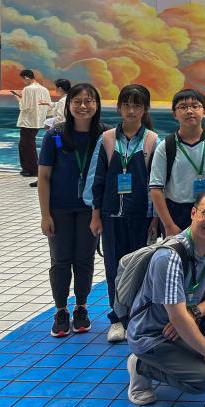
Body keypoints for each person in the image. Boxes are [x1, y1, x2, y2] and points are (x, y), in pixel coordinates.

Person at [125, 190, 205, 405]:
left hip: (183, 319)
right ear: (193, 213)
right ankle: (140, 366)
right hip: (152, 333)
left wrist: (194, 312)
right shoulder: (169, 256)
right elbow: (177, 317)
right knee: (202, 381)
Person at [84, 84, 160, 343]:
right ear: (118, 108)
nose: (131, 110)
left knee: (140, 268)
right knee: (113, 268)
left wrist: (155, 218)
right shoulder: (106, 139)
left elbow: (156, 183)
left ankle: (137, 317)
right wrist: (95, 214)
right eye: (126, 104)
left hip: (141, 216)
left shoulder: (153, 140)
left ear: (145, 109)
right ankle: (117, 319)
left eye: (137, 105)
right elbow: (97, 180)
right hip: (111, 216)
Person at [37, 83, 106, 337]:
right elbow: (44, 177)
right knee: (60, 260)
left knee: (84, 259)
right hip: (59, 209)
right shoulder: (55, 135)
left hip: (90, 210)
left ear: (97, 105)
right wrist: (45, 215)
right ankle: (60, 310)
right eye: (77, 101)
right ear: (69, 105)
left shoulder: (104, 135)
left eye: (89, 101)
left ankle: (81, 307)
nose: (83, 106)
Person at [150, 89, 205, 236]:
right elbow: (156, 188)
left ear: (204, 112)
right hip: (175, 213)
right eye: (183, 107)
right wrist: (168, 225)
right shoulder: (166, 146)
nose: (189, 111)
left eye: (195, 106)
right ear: (175, 114)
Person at [10, 69, 51, 180]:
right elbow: (48, 107)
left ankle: (31, 169)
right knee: (27, 144)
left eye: (23, 79)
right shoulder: (44, 89)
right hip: (38, 120)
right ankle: (28, 168)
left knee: (26, 146)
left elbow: (24, 106)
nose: (23, 82)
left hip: (28, 121)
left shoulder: (27, 89)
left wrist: (18, 98)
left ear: (26, 77)